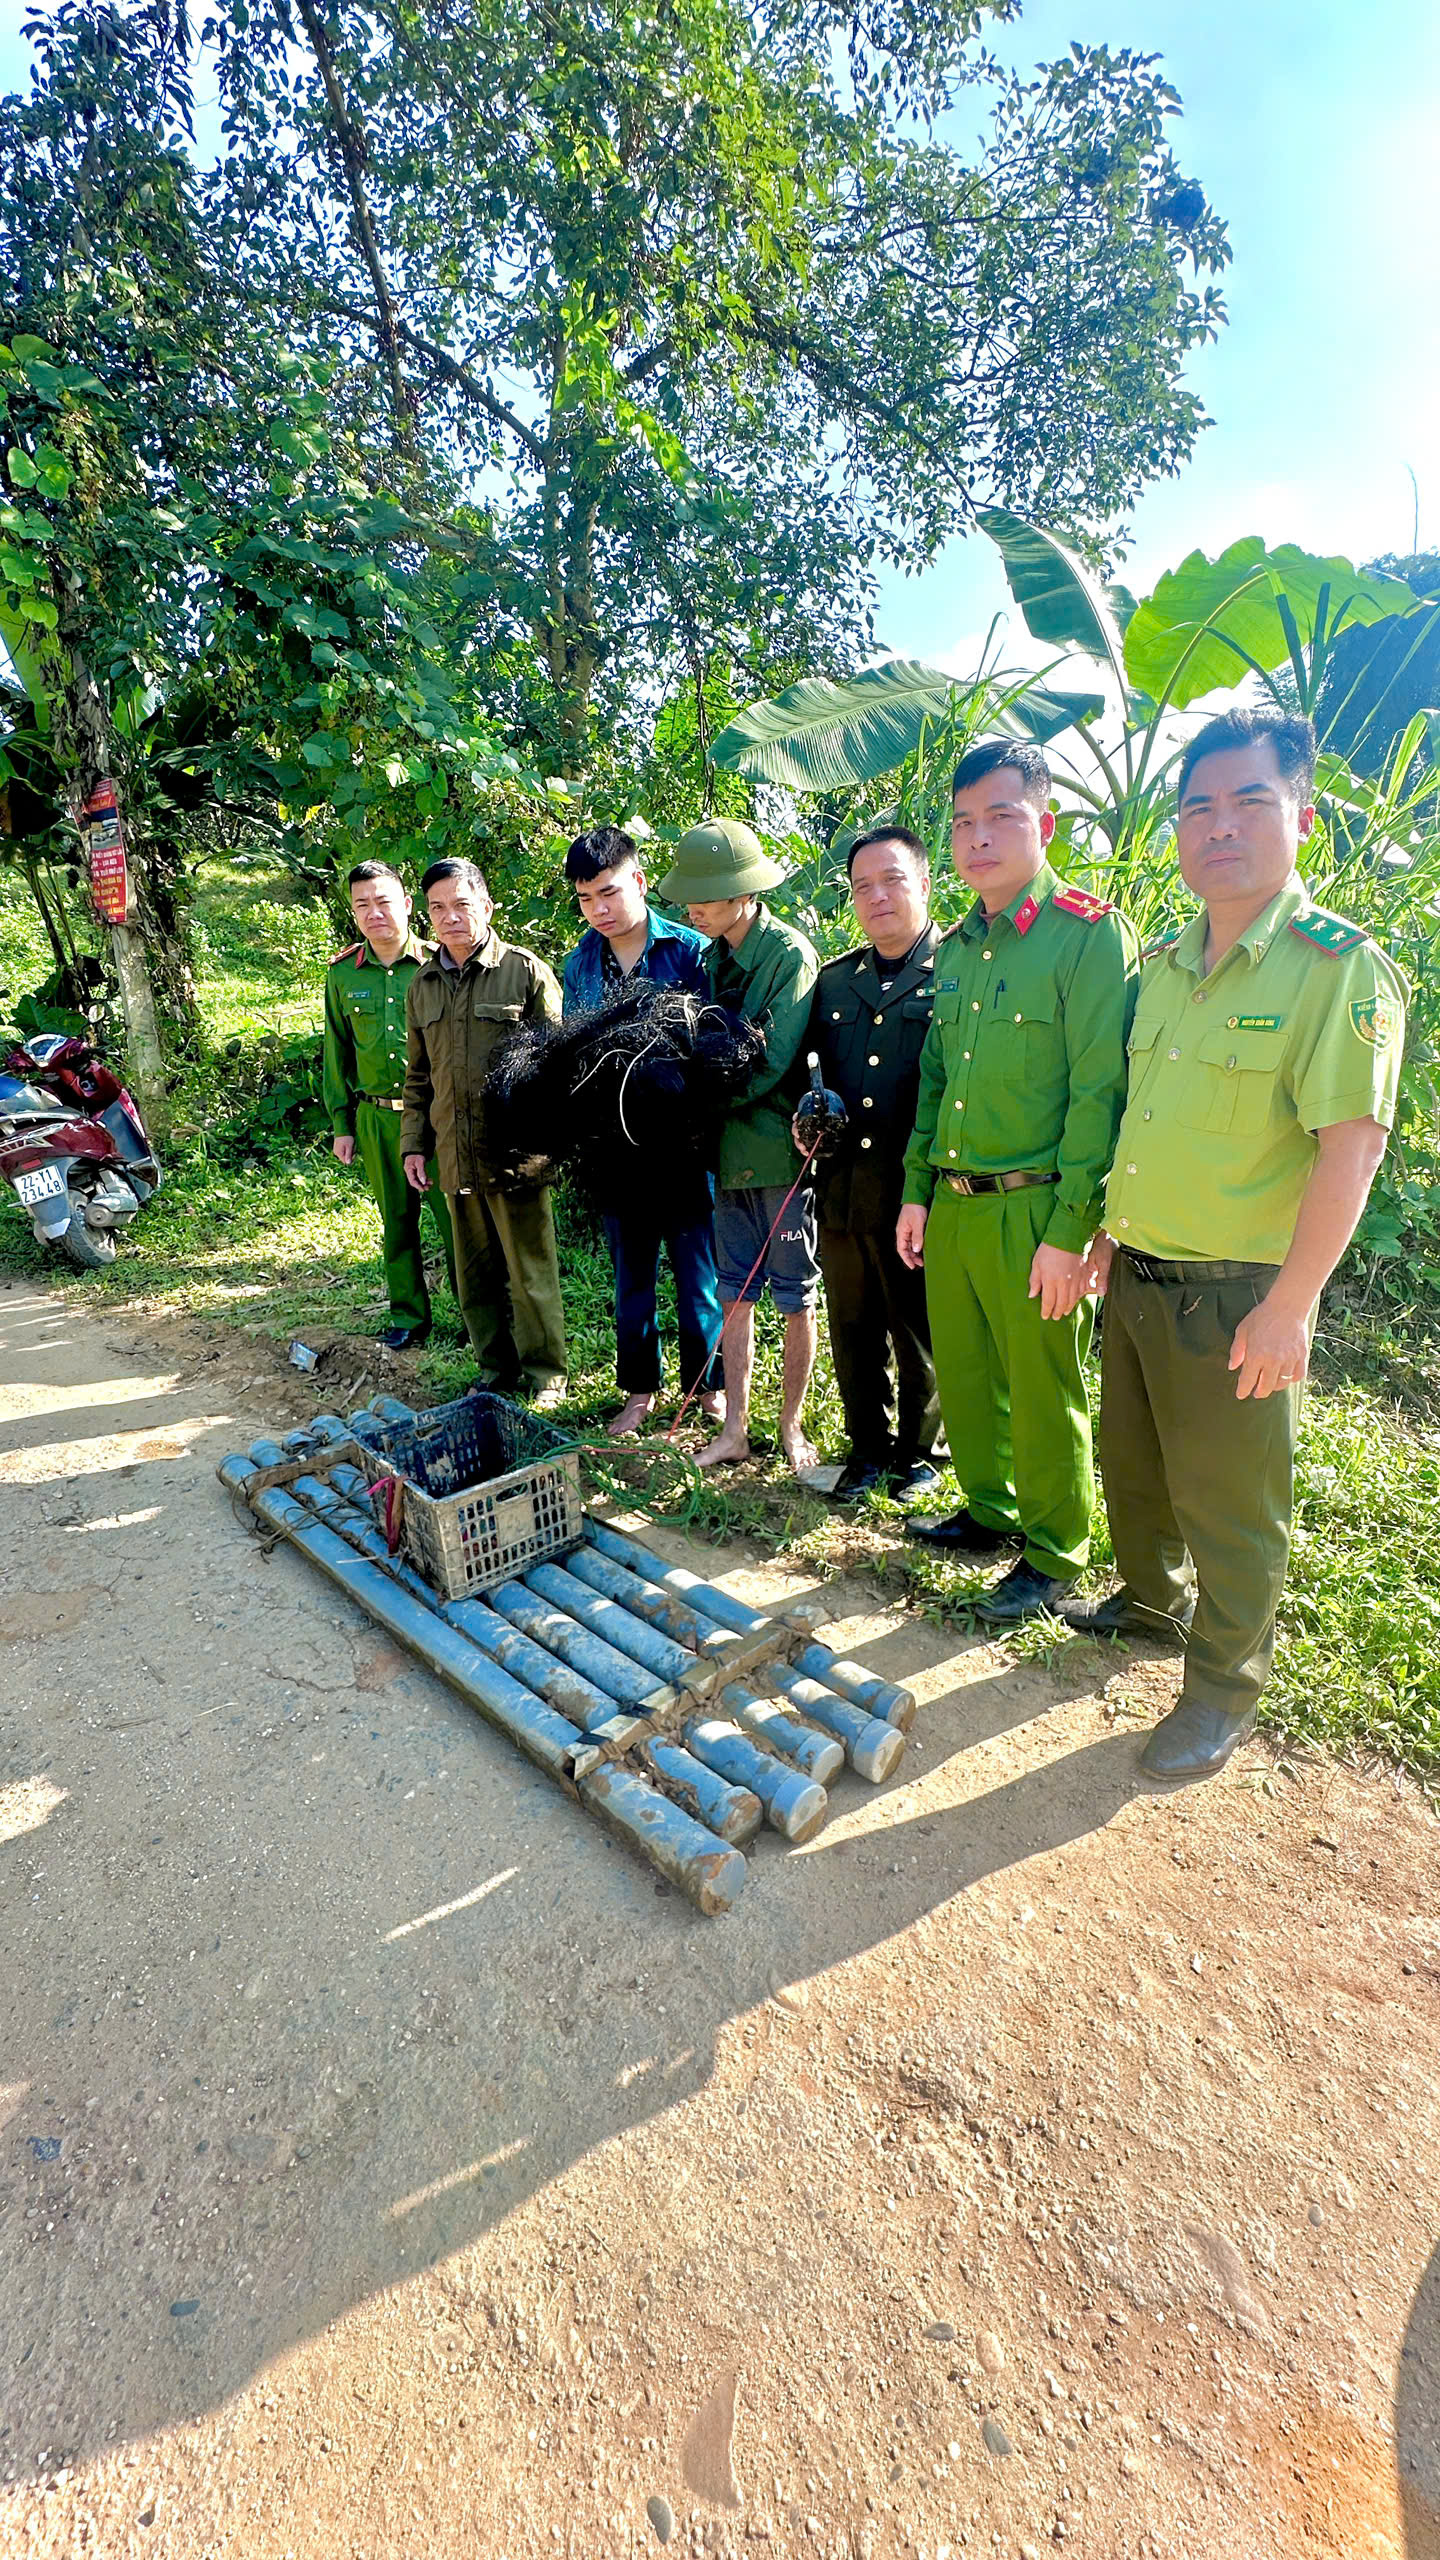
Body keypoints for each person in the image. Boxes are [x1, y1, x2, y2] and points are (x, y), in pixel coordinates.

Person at [1065, 708, 1407, 1779]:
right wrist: (1106, 1239)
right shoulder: (1166, 965)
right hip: (1137, 1273)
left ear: (1300, 816)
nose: (1222, 827)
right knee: (1135, 1469)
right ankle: (1148, 1600)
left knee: (1233, 1506)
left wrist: (1292, 1305)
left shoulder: (1334, 969)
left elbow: (1351, 1150)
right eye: (1199, 807)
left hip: (1236, 1292)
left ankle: (1221, 1691)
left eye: (1251, 802)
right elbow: (1147, 1121)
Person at [897, 740, 1139, 1621]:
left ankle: (1054, 1549)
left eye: (1000, 817)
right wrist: (917, 1187)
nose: (978, 839)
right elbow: (935, 1079)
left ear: (1045, 822)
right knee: (966, 1372)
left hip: (1039, 1204)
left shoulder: (1088, 933)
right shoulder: (957, 946)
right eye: (963, 823)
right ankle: (992, 1510)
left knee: (1044, 1386)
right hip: (957, 1202)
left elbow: (1099, 1095)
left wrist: (1073, 1229)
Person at [656, 817, 820, 1476]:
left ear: (744, 893)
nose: (693, 907)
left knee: (795, 1296)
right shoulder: (711, 955)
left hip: (780, 1156)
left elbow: (772, 1060)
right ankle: (735, 1431)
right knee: (734, 1295)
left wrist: (693, 1097)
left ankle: (791, 1428)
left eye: (708, 893)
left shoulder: (785, 954)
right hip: (727, 1157)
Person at [561, 825, 724, 1438]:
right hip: (614, 1150)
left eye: (608, 892)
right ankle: (639, 1391)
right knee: (631, 1278)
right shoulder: (580, 964)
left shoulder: (690, 951)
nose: (598, 910)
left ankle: (709, 1389)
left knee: (697, 1275)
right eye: (585, 899)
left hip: (683, 1147)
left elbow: (716, 1048)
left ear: (639, 879)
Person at [799, 825, 944, 1504]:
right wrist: (803, 1122)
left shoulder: (957, 974)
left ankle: (920, 1454)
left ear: (923, 883)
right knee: (852, 1324)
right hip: (843, 1188)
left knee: (918, 1326)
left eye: (892, 880)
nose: (877, 896)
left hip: (917, 1187)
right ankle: (867, 1447)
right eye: (862, 886)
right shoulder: (835, 982)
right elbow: (805, 1078)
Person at [400, 857, 568, 1407]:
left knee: (530, 1272)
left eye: (461, 905)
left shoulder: (523, 971)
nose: (450, 918)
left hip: (516, 1155)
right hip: (454, 1152)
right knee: (472, 1273)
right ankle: (493, 1366)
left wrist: (549, 1144)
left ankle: (545, 1374)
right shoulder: (422, 984)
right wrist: (414, 1144)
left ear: (486, 906)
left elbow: (556, 1069)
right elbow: (418, 1076)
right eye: (438, 909)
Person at [321, 859, 457, 1351]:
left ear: (406, 905)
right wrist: (342, 1124)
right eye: (363, 905)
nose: (375, 912)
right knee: (396, 1222)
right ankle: (409, 1316)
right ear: (354, 913)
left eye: (384, 901)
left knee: (455, 1222)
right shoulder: (342, 974)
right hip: (376, 1117)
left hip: (438, 1116)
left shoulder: (437, 963)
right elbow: (336, 1053)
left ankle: (472, 1315)